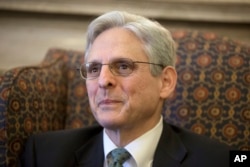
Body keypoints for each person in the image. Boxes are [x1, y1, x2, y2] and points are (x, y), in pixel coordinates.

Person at [21, 11, 232, 167]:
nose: (104, 81)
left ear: (165, 82)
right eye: (94, 68)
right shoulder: (44, 154)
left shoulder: (220, 160)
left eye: (123, 66)